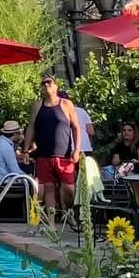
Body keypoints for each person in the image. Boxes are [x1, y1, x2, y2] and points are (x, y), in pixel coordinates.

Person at [27, 74, 80, 216]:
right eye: (43, 83)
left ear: (56, 86)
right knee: (49, 188)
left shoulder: (66, 104)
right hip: (44, 154)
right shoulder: (37, 106)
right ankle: (51, 224)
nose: (46, 85)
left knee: (69, 190)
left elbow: (76, 128)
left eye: (49, 82)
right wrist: (26, 150)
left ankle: (68, 212)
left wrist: (77, 150)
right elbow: (31, 128)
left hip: (64, 155)